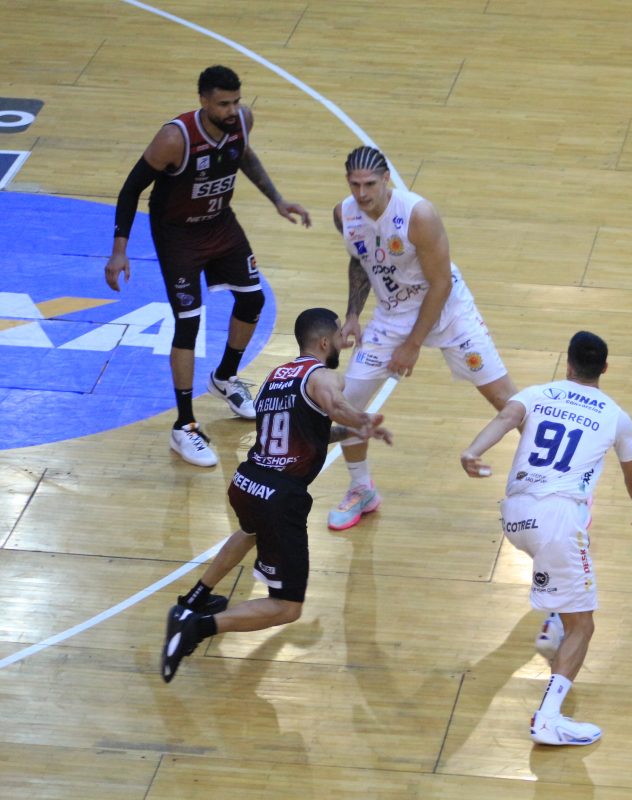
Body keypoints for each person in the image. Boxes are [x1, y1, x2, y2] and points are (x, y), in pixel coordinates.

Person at [160, 307, 392, 683]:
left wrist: (348, 432)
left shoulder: (277, 376)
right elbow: (335, 406)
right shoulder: (322, 375)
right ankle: (196, 627)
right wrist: (362, 420)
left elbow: (299, 434)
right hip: (280, 499)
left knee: (249, 531)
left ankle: (194, 599)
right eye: (338, 337)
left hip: (248, 482)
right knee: (287, 607)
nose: (342, 344)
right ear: (323, 342)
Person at [460, 331, 632, 746]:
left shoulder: (537, 393)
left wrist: (472, 451)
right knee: (584, 625)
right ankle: (548, 718)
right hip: (555, 520)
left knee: (567, 552)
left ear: (567, 363)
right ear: (604, 368)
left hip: (515, 515)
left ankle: (555, 621)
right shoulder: (615, 416)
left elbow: (505, 419)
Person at [104, 64, 312, 468]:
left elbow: (244, 156)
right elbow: (131, 189)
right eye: (223, 104)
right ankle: (184, 425)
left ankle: (224, 377)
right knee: (189, 323)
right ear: (203, 101)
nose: (232, 111)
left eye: (236, 102)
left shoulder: (242, 121)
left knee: (252, 300)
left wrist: (277, 199)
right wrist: (119, 251)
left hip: (220, 224)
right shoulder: (174, 138)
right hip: (178, 235)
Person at [327, 145, 516, 530]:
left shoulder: (419, 215)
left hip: (448, 312)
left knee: (509, 402)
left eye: (370, 184)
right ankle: (362, 489)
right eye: (354, 185)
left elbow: (441, 283)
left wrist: (412, 345)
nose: (362, 193)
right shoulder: (344, 214)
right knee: (347, 404)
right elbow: (361, 260)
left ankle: (564, 489)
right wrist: (352, 315)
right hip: (392, 314)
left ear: (387, 180)